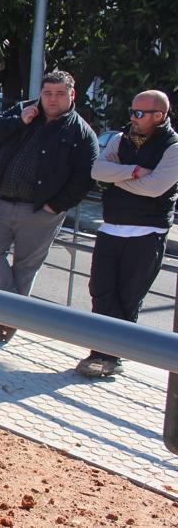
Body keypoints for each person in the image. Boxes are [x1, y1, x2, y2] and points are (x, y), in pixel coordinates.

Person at [0, 70, 96, 343]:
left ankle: (3, 321)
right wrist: (19, 121)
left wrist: (56, 206)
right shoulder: (25, 110)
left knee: (25, 268)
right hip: (3, 201)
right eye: (47, 93)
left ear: (71, 95)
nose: (52, 100)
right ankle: (13, 315)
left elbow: (84, 178)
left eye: (59, 94)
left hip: (42, 210)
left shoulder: (81, 133)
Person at [77, 91, 178, 377]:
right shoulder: (121, 139)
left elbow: (155, 187)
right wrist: (133, 171)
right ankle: (99, 351)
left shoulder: (173, 147)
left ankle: (111, 358)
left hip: (148, 232)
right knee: (100, 290)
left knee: (128, 296)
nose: (132, 117)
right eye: (132, 111)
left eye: (139, 113)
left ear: (159, 116)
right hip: (111, 227)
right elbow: (98, 169)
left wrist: (117, 178)